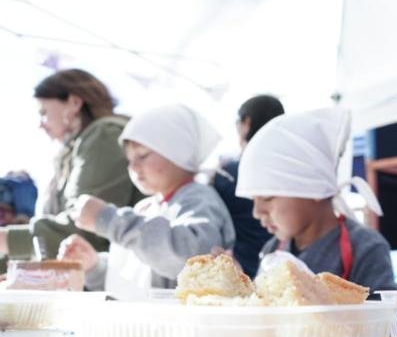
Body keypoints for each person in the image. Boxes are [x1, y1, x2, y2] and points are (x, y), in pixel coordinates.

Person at [59, 104, 235, 297]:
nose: (133, 167)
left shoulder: (199, 200)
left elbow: (191, 259)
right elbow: (132, 281)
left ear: (177, 152)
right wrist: (94, 265)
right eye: (129, 160)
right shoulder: (145, 208)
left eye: (142, 156)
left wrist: (108, 220)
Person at [236, 107, 397, 292]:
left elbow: (385, 309)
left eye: (267, 197)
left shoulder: (365, 248)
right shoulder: (273, 249)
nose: (257, 212)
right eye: (253, 199)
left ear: (313, 188)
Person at [0, 69, 141, 269]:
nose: (41, 125)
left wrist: (6, 240)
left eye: (44, 113)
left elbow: (87, 227)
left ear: (74, 102)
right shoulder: (76, 149)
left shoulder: (103, 135)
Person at [213, 95, 284, 278]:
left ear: (246, 122)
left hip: (240, 266)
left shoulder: (227, 173)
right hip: (281, 263)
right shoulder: (285, 168)